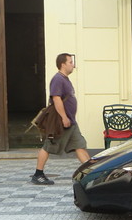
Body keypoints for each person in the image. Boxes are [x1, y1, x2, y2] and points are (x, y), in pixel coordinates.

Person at [31, 53, 90, 185]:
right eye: (70, 62)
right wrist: (64, 118)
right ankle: (38, 174)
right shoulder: (58, 79)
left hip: (71, 122)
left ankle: (91, 173)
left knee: (79, 146)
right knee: (48, 146)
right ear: (63, 64)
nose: (73, 65)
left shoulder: (65, 79)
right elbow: (56, 99)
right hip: (61, 122)